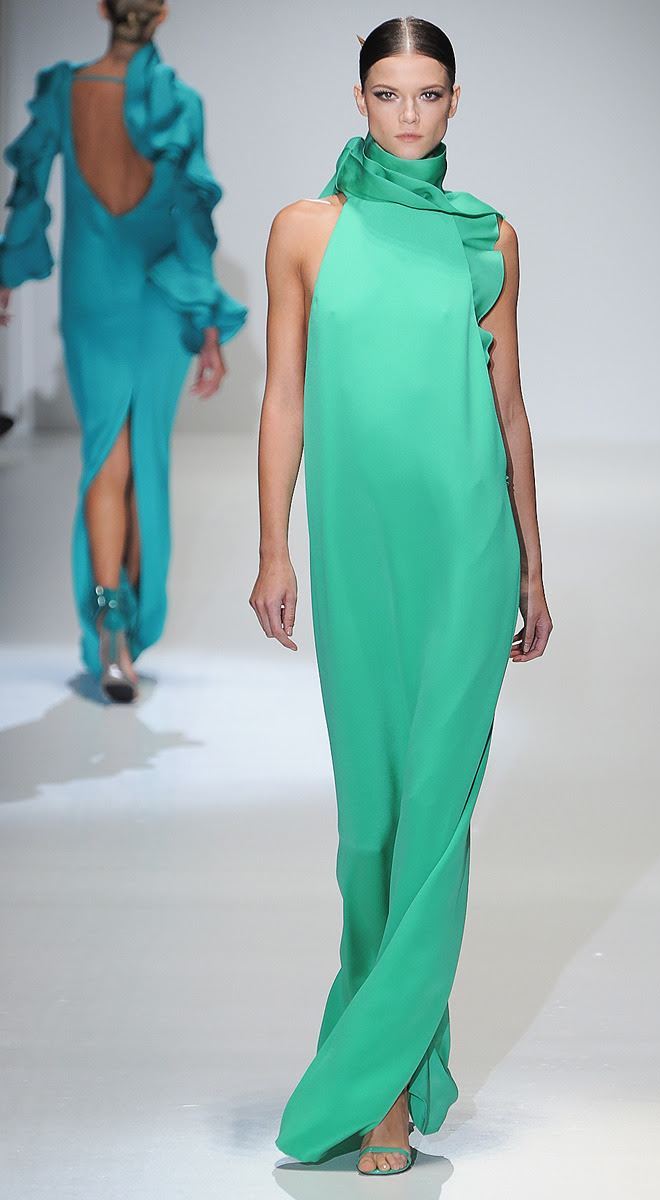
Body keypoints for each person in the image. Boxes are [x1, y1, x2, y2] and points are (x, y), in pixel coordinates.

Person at [250, 16, 552, 1175]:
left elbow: (509, 409)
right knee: (370, 824)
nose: (409, 114)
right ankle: (391, 1054)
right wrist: (272, 549)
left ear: (455, 102)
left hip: (467, 549)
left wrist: (531, 564)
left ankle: (383, 1093)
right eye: (389, 93)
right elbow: (284, 397)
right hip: (357, 553)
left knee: (433, 818)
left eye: (428, 94)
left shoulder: (487, 238)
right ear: (360, 99)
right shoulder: (304, 231)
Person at [0, 0, 246, 701]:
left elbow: (28, 183)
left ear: (104, 8)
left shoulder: (64, 89)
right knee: (145, 462)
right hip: (160, 298)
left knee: (105, 456)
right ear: (161, 14)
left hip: (93, 296)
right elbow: (191, 222)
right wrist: (207, 324)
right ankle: (126, 633)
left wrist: (9, 269)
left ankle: (110, 631)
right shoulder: (180, 104)